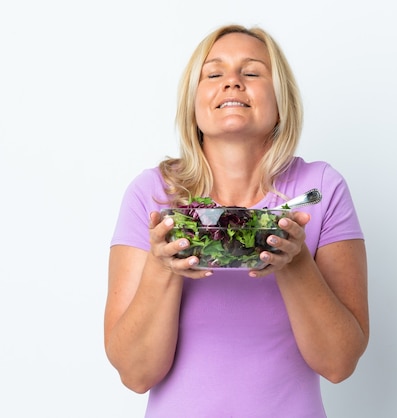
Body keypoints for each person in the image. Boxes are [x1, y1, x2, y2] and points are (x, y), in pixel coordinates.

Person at [104, 24, 369, 417]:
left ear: (281, 101)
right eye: (214, 74)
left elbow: (339, 363)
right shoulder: (153, 195)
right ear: (193, 104)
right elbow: (136, 374)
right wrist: (162, 268)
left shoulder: (322, 188)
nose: (232, 83)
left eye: (252, 72)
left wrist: (295, 261)